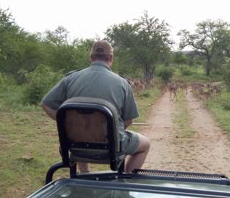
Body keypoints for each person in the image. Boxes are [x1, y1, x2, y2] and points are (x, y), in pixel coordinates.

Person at [41, 40, 150, 173]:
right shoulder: (122, 83)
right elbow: (128, 120)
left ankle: (85, 174)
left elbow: (45, 104)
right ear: (111, 58)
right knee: (145, 144)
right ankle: (128, 181)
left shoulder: (70, 79)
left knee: (80, 129)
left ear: (91, 57)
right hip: (111, 147)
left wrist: (67, 124)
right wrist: (110, 132)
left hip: (75, 146)